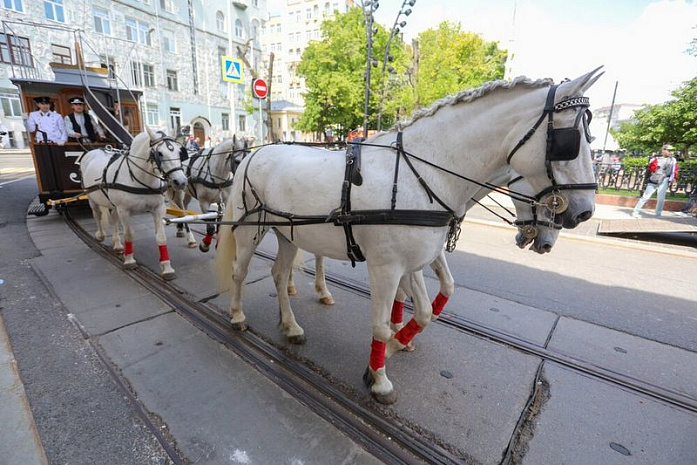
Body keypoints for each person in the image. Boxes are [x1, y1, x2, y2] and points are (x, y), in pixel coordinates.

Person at [631, 144, 679, 218]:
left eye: (671, 150)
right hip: (654, 179)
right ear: (663, 150)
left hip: (665, 180)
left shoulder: (673, 160)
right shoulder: (655, 159)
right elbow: (650, 169)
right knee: (645, 197)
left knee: (661, 199)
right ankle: (636, 212)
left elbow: (675, 170)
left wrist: (674, 178)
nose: (670, 152)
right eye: (669, 150)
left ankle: (658, 213)